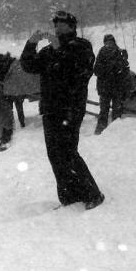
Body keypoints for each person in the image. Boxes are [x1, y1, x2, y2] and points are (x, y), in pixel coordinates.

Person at [20, 11, 105, 210]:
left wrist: (59, 49)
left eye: (62, 24)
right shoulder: (48, 51)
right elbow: (28, 65)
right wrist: (31, 43)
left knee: (68, 152)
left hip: (71, 108)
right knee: (54, 154)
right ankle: (69, 198)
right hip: (50, 109)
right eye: (56, 23)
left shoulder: (82, 46)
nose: (57, 27)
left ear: (72, 27)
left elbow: (78, 72)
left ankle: (93, 194)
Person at [93, 34, 130, 134]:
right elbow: (96, 71)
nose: (109, 44)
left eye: (111, 42)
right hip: (104, 88)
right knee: (104, 111)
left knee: (117, 111)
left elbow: (126, 71)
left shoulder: (120, 52)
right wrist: (108, 68)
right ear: (104, 43)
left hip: (117, 88)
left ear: (114, 42)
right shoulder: (101, 53)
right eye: (107, 42)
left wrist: (125, 61)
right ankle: (100, 131)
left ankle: (115, 132)